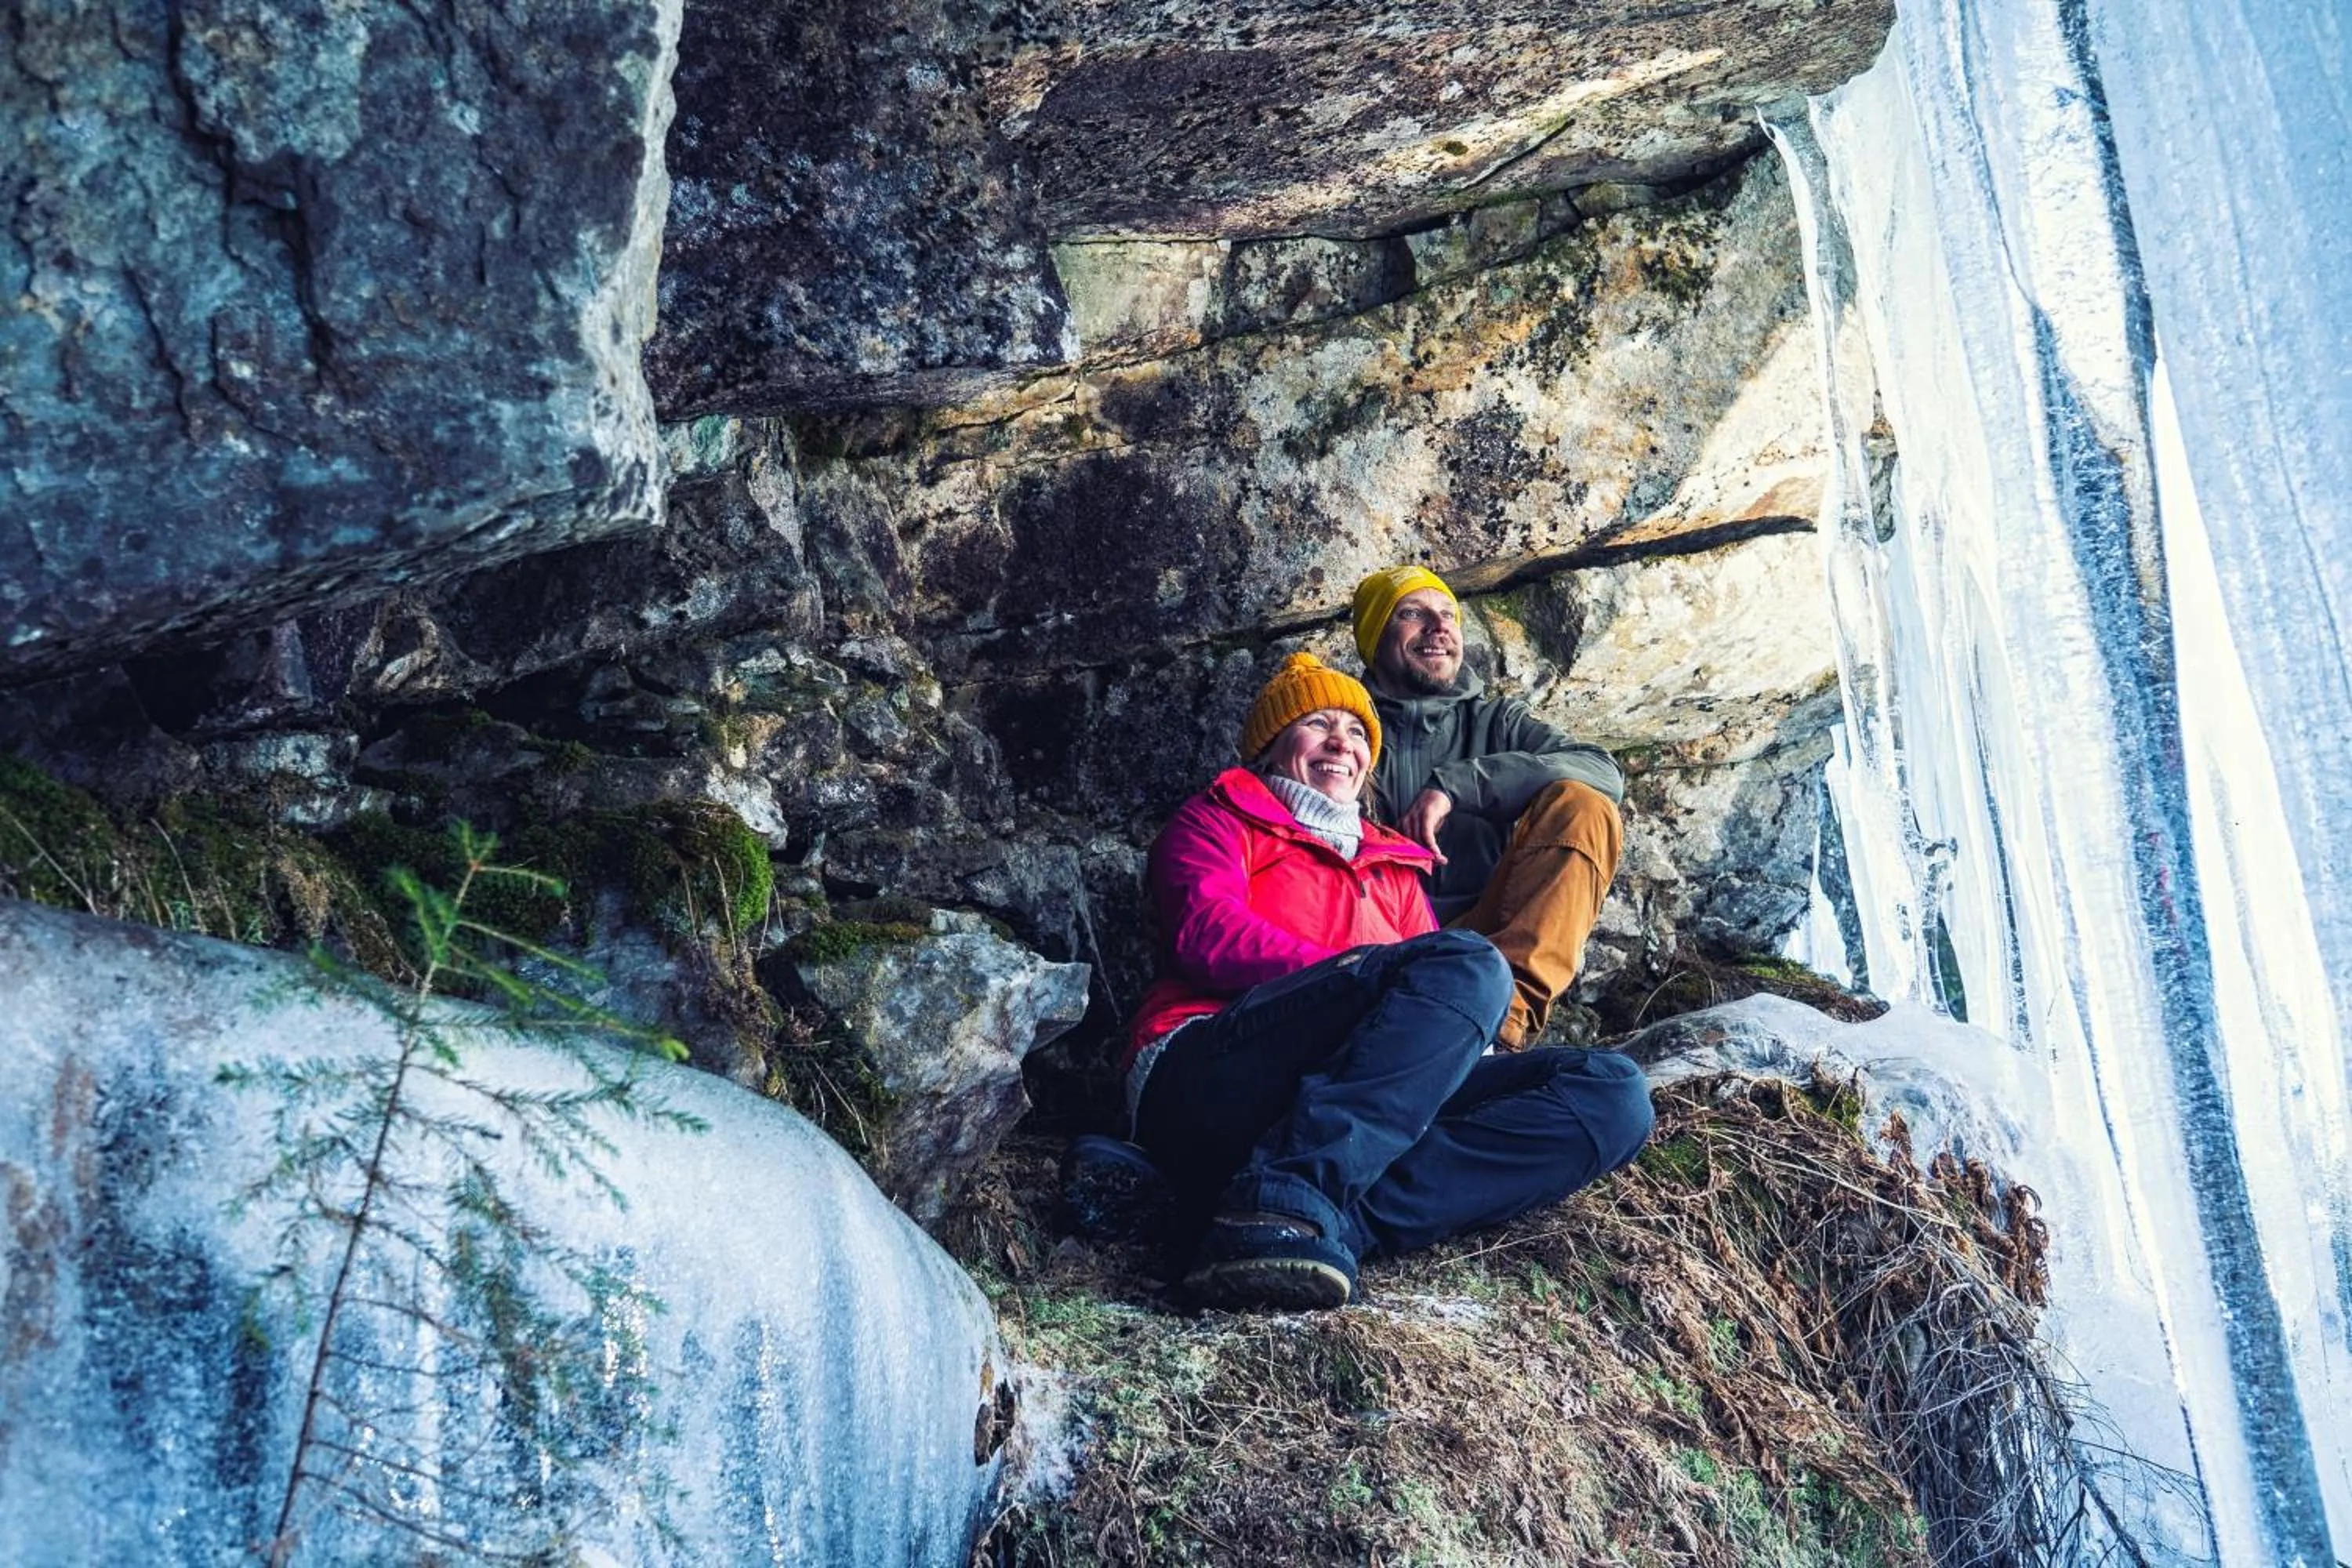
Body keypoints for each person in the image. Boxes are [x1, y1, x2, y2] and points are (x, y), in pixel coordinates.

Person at [1120, 651, 1653, 1312]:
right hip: (1210, 1072)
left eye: (1355, 731)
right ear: (1271, 744)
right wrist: (1362, 973)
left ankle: (1317, 1227)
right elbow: (1208, 939)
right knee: (1466, 962)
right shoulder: (1218, 820)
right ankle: (1283, 1194)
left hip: (1349, 1106)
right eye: (1318, 724)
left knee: (1612, 1096)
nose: (1341, 742)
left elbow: (1427, 1015)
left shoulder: (1396, 868)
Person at [1351, 564, 1626, 1051]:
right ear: (1375, 636)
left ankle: (1501, 1030)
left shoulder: (1496, 720)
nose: (1439, 629)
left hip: (1480, 938)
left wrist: (1457, 786)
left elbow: (1603, 771)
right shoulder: (1344, 729)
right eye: (1413, 614)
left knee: (1584, 806)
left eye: (1448, 616)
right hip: (1374, 942)